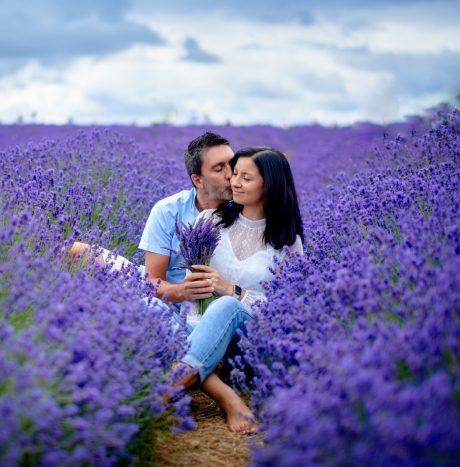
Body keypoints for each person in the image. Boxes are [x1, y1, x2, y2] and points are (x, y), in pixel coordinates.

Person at [168, 146, 304, 434]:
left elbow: (289, 311)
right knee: (149, 307)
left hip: (243, 347)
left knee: (226, 306)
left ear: (271, 185)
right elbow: (194, 295)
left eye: (246, 177)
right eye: (235, 174)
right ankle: (220, 392)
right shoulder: (210, 222)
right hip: (197, 329)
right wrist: (192, 294)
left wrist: (233, 291)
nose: (234, 183)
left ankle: (164, 390)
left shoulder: (288, 243)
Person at [70, 131, 234, 300]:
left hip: (218, 303)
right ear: (198, 180)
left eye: (233, 164)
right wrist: (183, 292)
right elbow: (153, 281)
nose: (230, 175)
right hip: (169, 296)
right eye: (219, 169)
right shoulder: (168, 210)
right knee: (75, 250)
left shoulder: (248, 208)